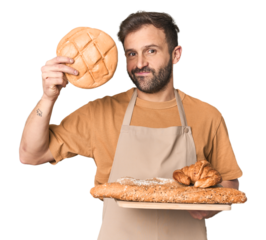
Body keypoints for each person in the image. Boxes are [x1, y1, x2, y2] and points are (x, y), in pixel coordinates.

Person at [18, 7, 243, 240]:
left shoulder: (208, 114)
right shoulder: (99, 111)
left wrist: (211, 205)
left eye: (151, 51)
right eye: (132, 54)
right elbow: (30, 155)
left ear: (176, 54)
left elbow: (230, 181)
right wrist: (48, 97)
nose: (140, 63)